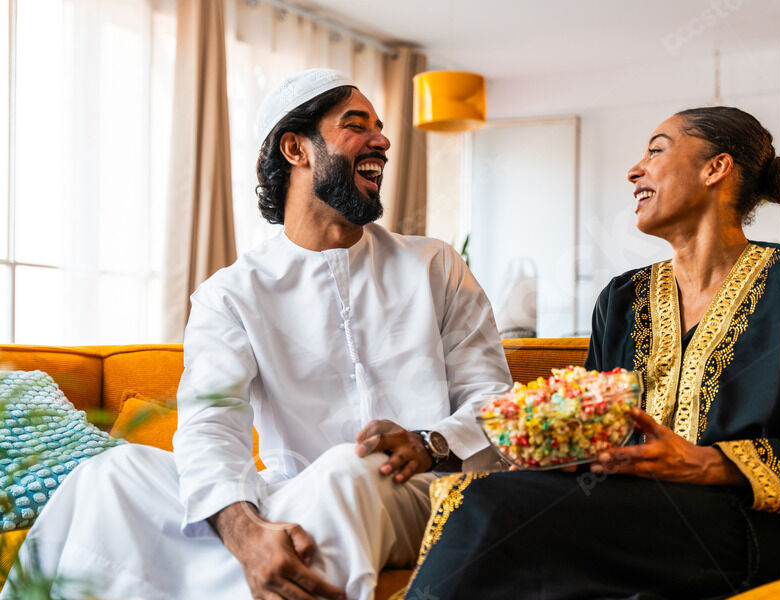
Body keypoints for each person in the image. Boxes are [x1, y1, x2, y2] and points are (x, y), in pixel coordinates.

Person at [3, 69, 512, 600]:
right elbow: (210, 426)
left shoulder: (434, 265)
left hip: (427, 491)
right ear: (296, 149)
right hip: (293, 496)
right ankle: (261, 555)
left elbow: (495, 401)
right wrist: (244, 531)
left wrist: (430, 443)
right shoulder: (232, 293)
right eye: (356, 125)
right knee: (114, 473)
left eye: (380, 127)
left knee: (349, 468)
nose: (381, 141)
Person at [403, 106, 780, 600]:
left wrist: (706, 463)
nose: (634, 171)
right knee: (490, 505)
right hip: (627, 513)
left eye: (656, 150)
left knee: (491, 506)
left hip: (745, 524)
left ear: (716, 168)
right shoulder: (622, 298)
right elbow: (592, 433)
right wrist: (550, 450)